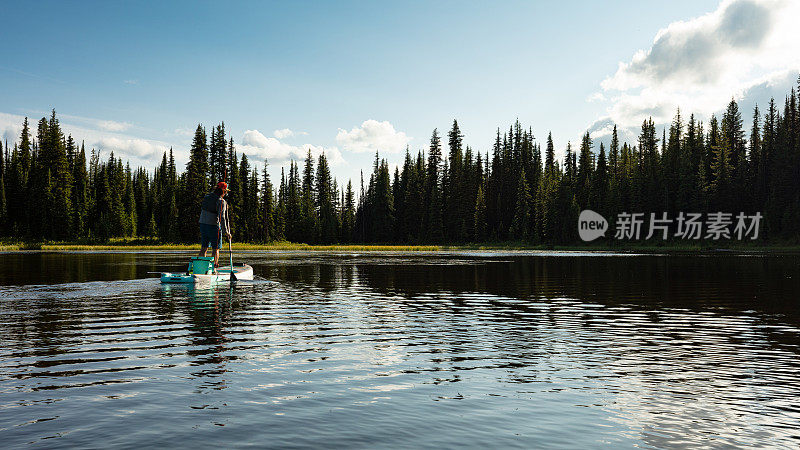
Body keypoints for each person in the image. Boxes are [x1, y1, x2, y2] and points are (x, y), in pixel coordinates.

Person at [198, 181, 232, 269]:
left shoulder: (207, 197)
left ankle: (201, 267)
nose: (226, 193)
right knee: (215, 248)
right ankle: (214, 267)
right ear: (223, 191)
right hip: (213, 226)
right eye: (226, 191)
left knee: (204, 247)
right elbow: (222, 217)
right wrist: (226, 232)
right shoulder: (221, 201)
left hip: (202, 225)